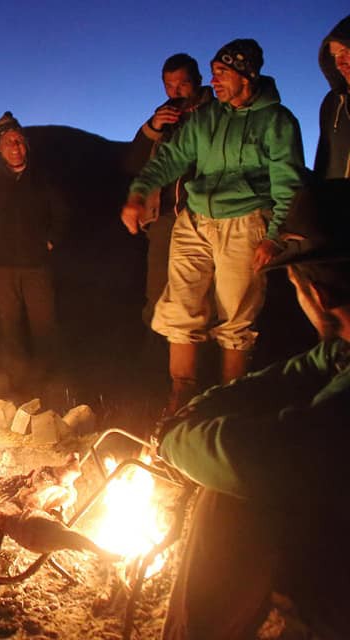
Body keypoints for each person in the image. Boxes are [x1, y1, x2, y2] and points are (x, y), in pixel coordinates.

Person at [156, 179, 350, 640]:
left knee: (233, 497)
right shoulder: (342, 350)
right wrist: (194, 414)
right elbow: (285, 378)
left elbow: (267, 457)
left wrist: (174, 438)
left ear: (318, 295)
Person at [120, 39, 306, 415]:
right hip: (195, 219)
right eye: (214, 72)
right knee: (180, 306)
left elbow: (289, 183)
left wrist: (273, 237)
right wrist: (139, 192)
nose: (215, 80)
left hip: (245, 221)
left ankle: (228, 405)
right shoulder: (206, 118)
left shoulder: (277, 121)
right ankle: (180, 401)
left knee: (236, 317)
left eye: (222, 73)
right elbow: (170, 158)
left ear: (246, 74)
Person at [0, 111, 67, 392]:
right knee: (8, 327)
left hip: (36, 266)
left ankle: (49, 384)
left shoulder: (41, 179)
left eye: (19, 141)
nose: (15, 147)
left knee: (44, 325)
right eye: (9, 142)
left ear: (27, 145)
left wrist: (51, 240)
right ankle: (17, 384)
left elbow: (61, 214)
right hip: (1, 267)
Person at [124, 54, 213, 329]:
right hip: (163, 218)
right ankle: (155, 357)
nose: (176, 91)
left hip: (202, 217)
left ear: (197, 81)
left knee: (200, 294)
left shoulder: (216, 114)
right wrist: (152, 127)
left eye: (183, 83)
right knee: (158, 291)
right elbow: (132, 164)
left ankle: (200, 360)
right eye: (169, 85)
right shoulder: (163, 120)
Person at [314, 15, 350, 179]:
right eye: (334, 56)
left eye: (345, 51)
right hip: (337, 203)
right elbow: (322, 162)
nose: (339, 63)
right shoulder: (332, 103)